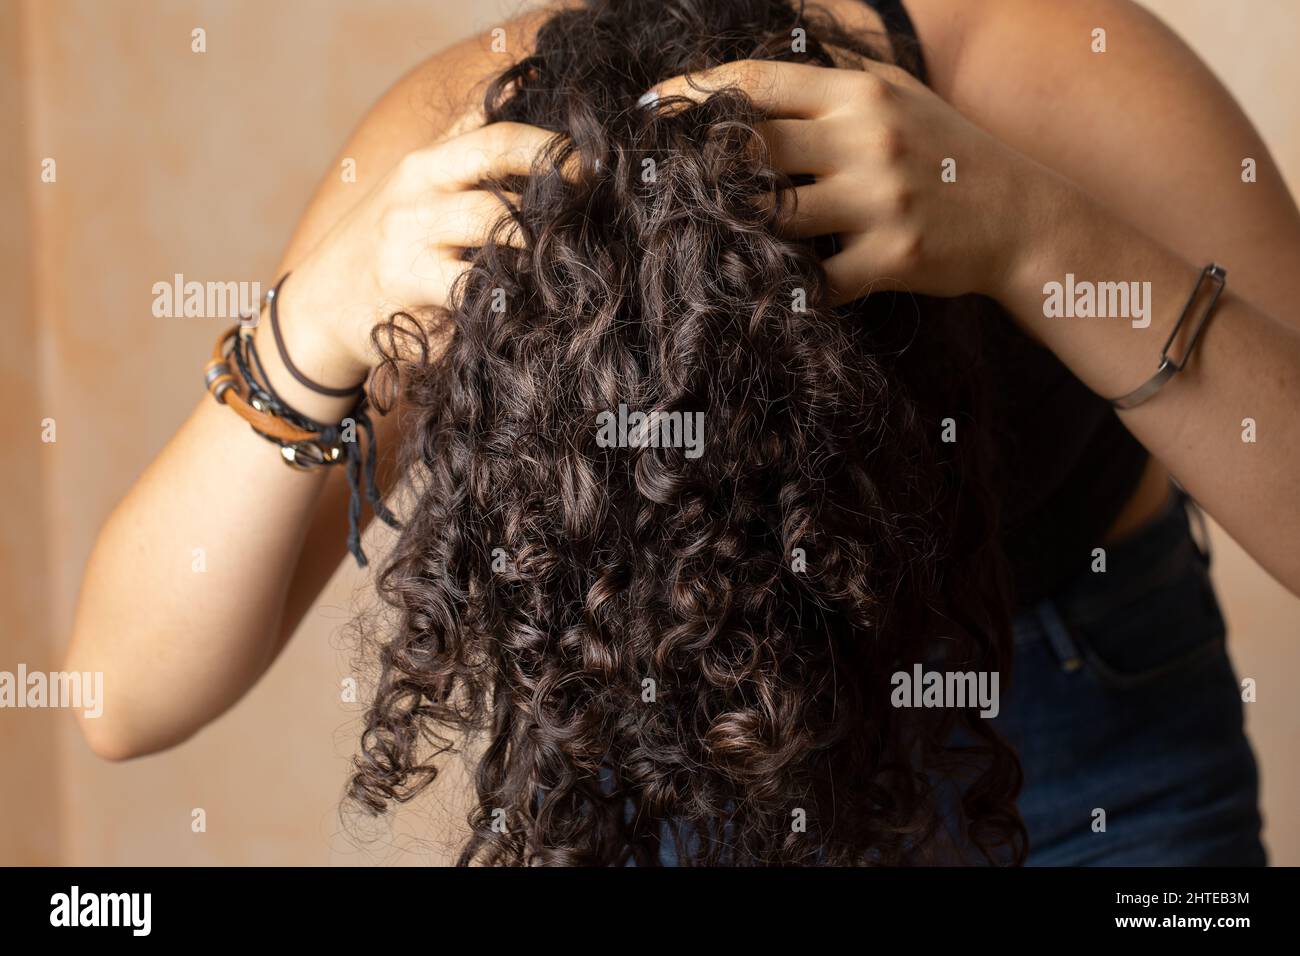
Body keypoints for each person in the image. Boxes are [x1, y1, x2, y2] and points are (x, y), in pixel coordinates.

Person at [68, 0, 1300, 865]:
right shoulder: (464, 154)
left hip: (1081, 739)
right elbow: (121, 694)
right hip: (669, 764)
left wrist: (1039, 239)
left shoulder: (1049, 68)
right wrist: (323, 317)